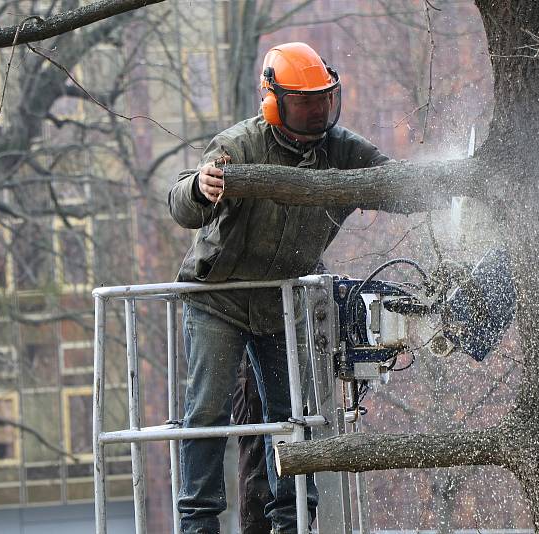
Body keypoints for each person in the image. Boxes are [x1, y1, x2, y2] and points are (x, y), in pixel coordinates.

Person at [168, 42, 391, 534]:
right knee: (206, 411)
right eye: (304, 102)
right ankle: (198, 522)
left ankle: (292, 520)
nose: (316, 111)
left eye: (323, 100)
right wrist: (197, 188)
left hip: (283, 302)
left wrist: (443, 186)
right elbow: (182, 205)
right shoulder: (239, 146)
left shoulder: (344, 151)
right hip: (219, 301)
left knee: (293, 417)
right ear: (273, 101)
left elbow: (392, 181)